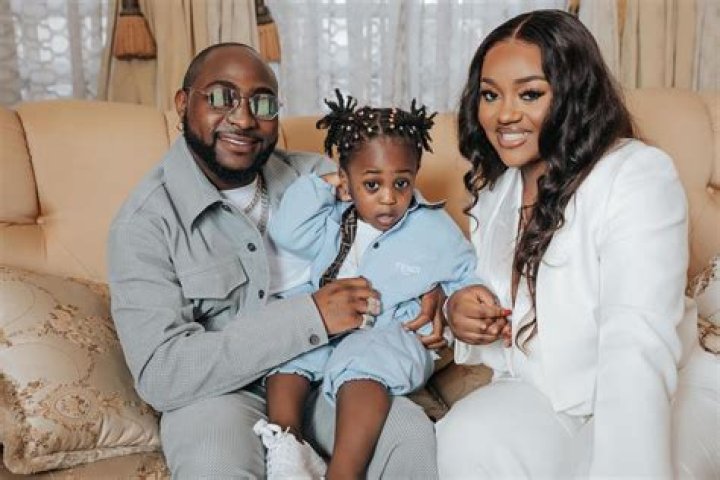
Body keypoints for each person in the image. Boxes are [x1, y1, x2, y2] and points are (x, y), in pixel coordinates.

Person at [107, 43, 441, 479]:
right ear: (183, 103)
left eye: (262, 103)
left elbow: (402, 216)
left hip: (326, 375)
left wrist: (433, 284)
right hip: (218, 395)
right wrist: (311, 316)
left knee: (408, 436)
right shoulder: (145, 222)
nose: (244, 119)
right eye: (222, 97)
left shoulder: (314, 177)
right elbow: (162, 373)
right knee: (214, 467)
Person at [435, 9, 719, 478]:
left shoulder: (637, 176)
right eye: (490, 94)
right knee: (466, 440)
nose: (504, 114)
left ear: (573, 94)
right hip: (554, 394)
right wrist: (458, 314)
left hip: (665, 390)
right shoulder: (497, 190)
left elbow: (637, 346)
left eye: (530, 93)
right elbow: (502, 315)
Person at [252, 90, 477, 479]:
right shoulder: (333, 216)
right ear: (346, 179)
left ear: (415, 175)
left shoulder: (433, 229)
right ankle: (287, 446)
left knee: (362, 360)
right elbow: (287, 232)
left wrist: (455, 301)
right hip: (329, 324)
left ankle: (344, 472)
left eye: (402, 183)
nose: (388, 198)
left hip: (391, 333)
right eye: (372, 185)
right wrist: (325, 187)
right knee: (289, 350)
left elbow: (465, 275)